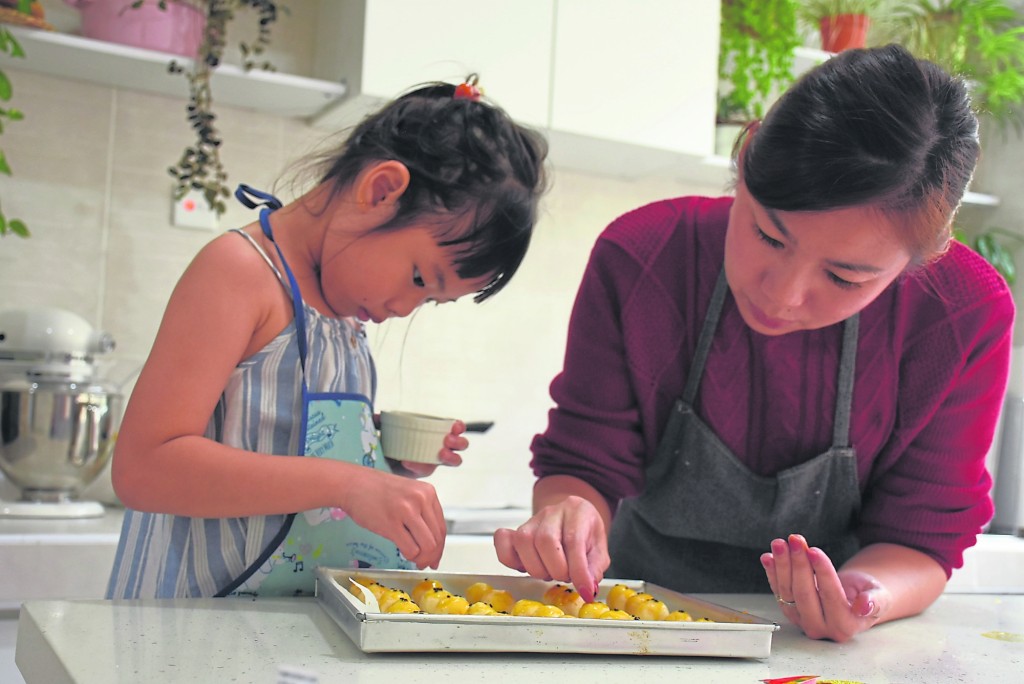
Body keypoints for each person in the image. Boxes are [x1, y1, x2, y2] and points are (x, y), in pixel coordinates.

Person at [494, 44, 1014, 642]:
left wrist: (864, 595)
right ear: (746, 157)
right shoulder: (644, 255)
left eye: (845, 277)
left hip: (824, 652)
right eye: (768, 235)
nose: (784, 295)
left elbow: (920, 537)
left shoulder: (962, 312)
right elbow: (583, 461)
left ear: (919, 262)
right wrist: (570, 513)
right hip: (634, 626)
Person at [106, 76, 549, 599]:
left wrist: (382, 456)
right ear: (380, 191)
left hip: (279, 631)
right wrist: (349, 482)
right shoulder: (242, 273)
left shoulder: (344, 315)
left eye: (431, 301)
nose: (405, 309)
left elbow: (272, 435)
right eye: (418, 279)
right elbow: (144, 467)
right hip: (185, 623)